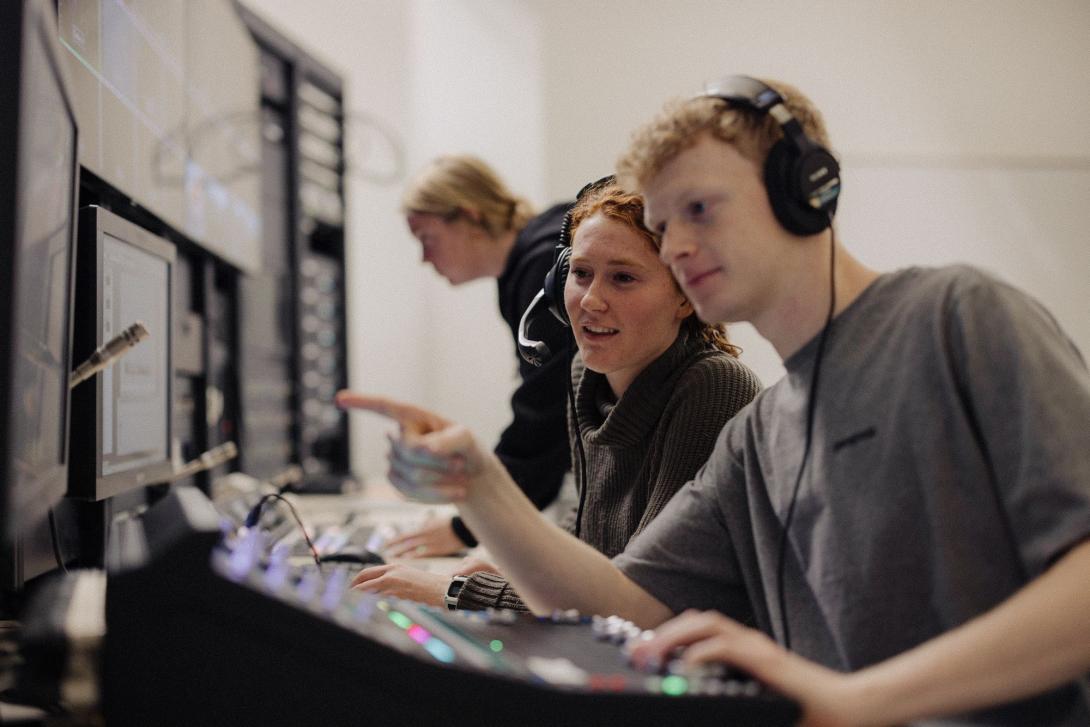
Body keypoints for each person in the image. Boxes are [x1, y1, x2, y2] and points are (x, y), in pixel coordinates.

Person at [339, 77, 1090, 726]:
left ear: (806, 191)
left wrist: (857, 700)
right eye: (665, 228)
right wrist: (483, 487)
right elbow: (623, 599)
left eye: (701, 208)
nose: (678, 247)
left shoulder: (956, 317)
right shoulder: (759, 435)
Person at [341, 182, 761, 609]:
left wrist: (459, 593)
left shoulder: (712, 388)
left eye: (623, 278)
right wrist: (515, 564)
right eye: (580, 274)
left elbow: (645, 598)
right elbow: (590, 536)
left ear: (685, 295)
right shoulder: (586, 372)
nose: (592, 300)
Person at [387, 155, 572, 557]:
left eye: (427, 238)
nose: (424, 258)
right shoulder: (531, 264)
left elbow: (549, 412)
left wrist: (466, 527)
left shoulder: (543, 264)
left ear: (469, 217)